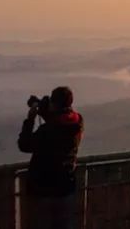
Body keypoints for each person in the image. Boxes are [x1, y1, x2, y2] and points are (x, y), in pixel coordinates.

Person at [18, 86, 84, 229]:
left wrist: (30, 119)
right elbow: (60, 122)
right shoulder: (77, 122)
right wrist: (46, 109)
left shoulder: (47, 131)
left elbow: (24, 145)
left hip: (44, 190)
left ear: (54, 105)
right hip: (66, 187)